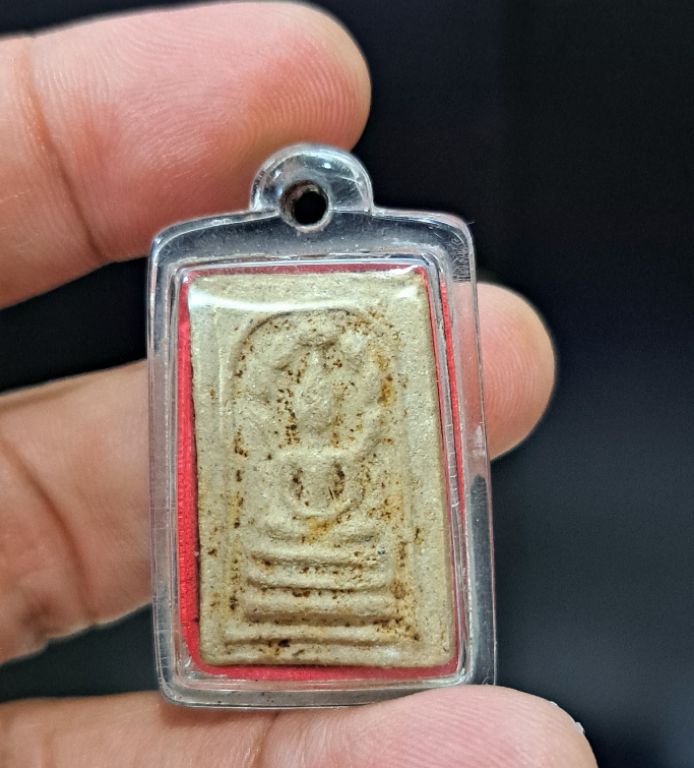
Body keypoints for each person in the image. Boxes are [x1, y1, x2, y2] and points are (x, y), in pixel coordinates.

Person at [0, 3, 595, 765]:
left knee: (370, 549)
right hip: (266, 568)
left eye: (332, 389)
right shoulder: (254, 391)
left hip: (367, 564)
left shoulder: (373, 381)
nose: (315, 399)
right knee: (266, 550)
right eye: (303, 390)